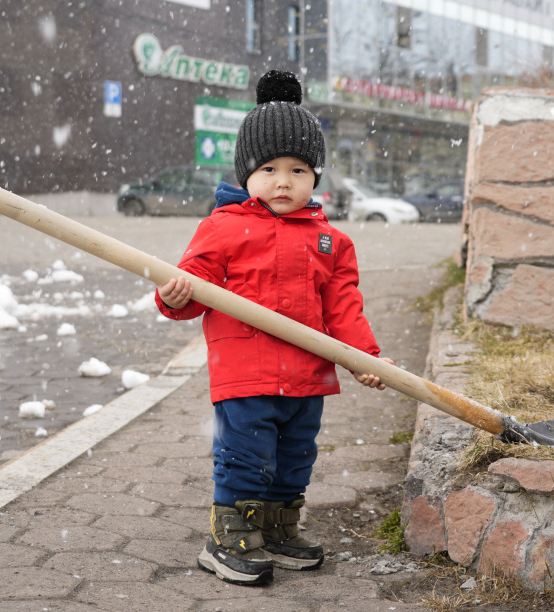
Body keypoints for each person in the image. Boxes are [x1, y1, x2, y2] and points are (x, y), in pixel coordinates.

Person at [155, 69, 392, 586]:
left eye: (299, 169)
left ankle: (279, 527)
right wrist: (173, 297)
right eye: (269, 168)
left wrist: (365, 357)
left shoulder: (332, 242)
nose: (283, 181)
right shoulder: (223, 227)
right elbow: (191, 287)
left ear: (316, 177)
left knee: (295, 456)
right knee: (244, 455)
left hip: (307, 376)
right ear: (246, 173)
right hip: (245, 374)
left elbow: (345, 306)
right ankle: (228, 535)